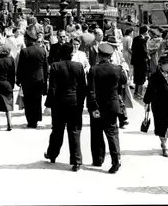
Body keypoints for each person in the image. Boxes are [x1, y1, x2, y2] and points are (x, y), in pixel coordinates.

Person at [44, 42, 87, 171]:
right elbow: (82, 88)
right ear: (71, 54)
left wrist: (49, 104)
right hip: (74, 102)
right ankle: (76, 160)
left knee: (57, 129)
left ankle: (52, 154)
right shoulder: (79, 66)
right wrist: (80, 103)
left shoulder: (55, 67)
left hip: (59, 102)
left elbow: (52, 88)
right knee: (74, 131)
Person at [87, 43, 127, 173]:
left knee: (97, 133)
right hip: (112, 105)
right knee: (112, 134)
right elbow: (124, 81)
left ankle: (98, 159)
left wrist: (93, 107)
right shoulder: (117, 68)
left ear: (98, 55)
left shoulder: (93, 70)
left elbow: (91, 91)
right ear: (111, 56)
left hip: (98, 106)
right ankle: (116, 159)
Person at [143, 52, 168, 157]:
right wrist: (147, 102)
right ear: (161, 64)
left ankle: (166, 140)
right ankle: (164, 145)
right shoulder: (155, 76)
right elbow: (150, 90)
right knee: (162, 125)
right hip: (159, 104)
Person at [16, 25, 48, 128]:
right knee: (37, 100)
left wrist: (18, 80)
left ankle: (30, 120)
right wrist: (45, 80)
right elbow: (45, 67)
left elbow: (20, 67)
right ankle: (36, 119)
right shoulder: (42, 50)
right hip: (39, 79)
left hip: (27, 80)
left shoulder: (25, 51)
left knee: (28, 100)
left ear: (28, 40)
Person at [131, 26, 150, 99]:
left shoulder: (135, 38)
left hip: (135, 61)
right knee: (142, 77)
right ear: (145, 32)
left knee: (136, 76)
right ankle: (139, 93)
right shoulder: (143, 40)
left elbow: (133, 48)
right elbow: (144, 51)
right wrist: (148, 56)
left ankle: (136, 92)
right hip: (142, 61)